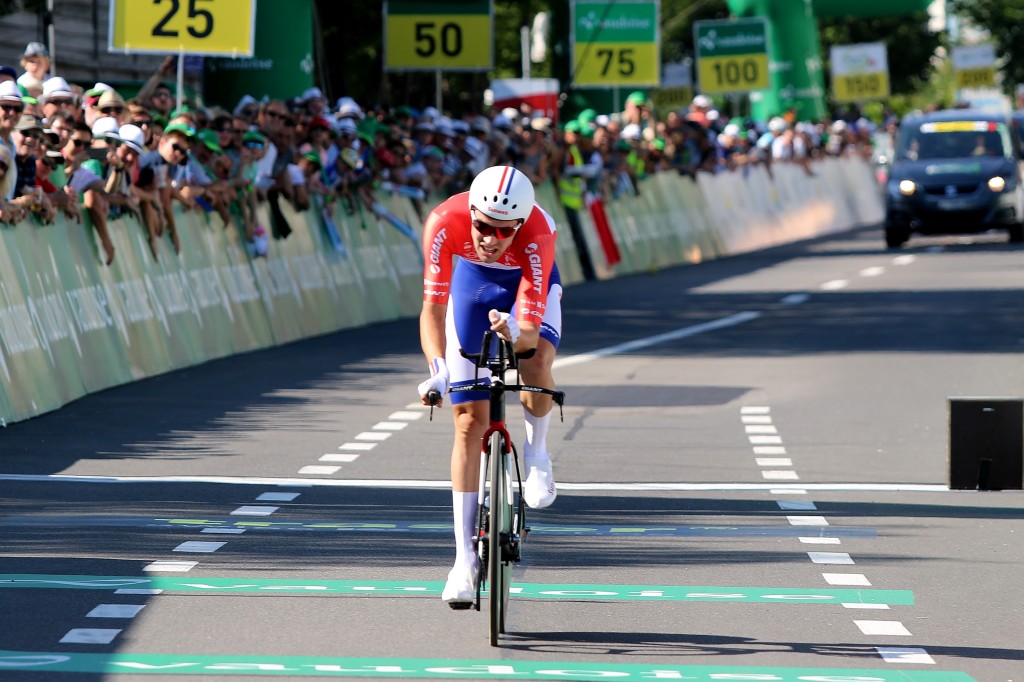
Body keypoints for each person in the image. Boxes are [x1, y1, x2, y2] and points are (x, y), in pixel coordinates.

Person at [417, 165, 562, 607]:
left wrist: (512, 333)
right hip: (473, 288)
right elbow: (433, 310)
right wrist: (438, 369)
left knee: (534, 360)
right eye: (481, 226)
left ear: (519, 225)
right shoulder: (444, 221)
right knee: (467, 421)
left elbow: (530, 332)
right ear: (472, 212)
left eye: (503, 231)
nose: (489, 238)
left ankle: (537, 453)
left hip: (524, 291)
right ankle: (463, 561)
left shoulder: (538, 232)